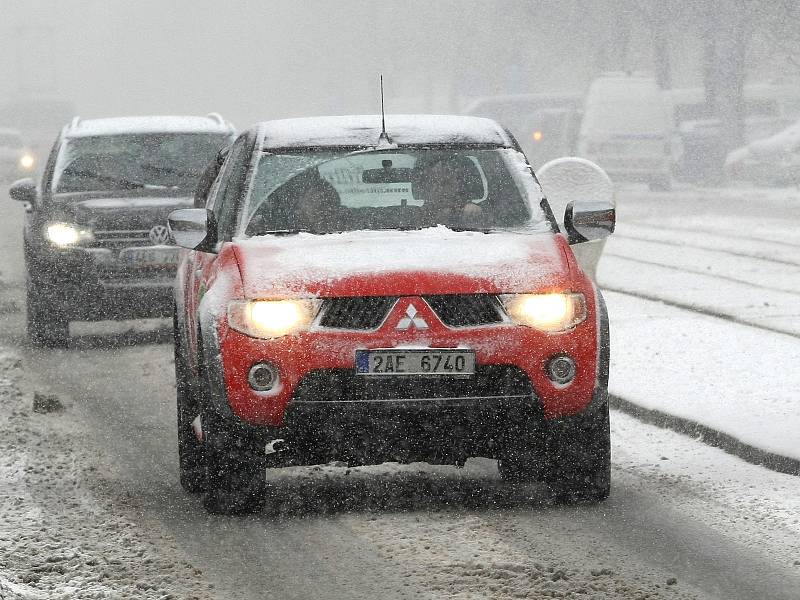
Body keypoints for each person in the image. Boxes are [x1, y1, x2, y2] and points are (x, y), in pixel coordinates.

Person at [415, 153, 483, 227]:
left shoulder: (471, 212)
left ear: (458, 186)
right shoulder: (413, 217)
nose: (440, 189)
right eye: (434, 182)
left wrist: (474, 213)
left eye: (446, 183)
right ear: (426, 187)